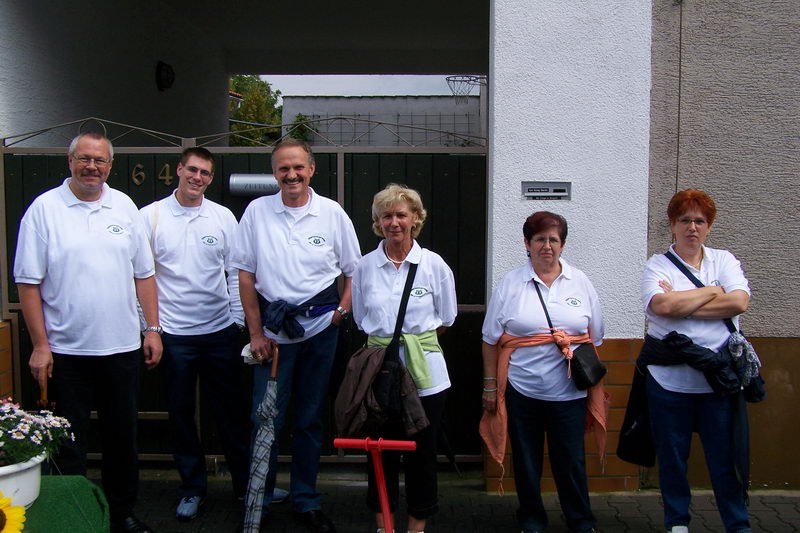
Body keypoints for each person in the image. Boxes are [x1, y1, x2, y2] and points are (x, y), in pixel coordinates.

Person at [14, 133, 161, 533]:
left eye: (99, 160)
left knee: (121, 441)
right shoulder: (44, 210)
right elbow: (28, 284)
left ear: (110, 166)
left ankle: (121, 515)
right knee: (68, 444)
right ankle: (73, 518)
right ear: (70, 161)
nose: (91, 167)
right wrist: (41, 346)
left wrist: (152, 330)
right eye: (84, 159)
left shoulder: (125, 207)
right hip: (66, 352)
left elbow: (144, 275)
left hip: (120, 348)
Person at [232, 138, 361, 533]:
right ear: (275, 173)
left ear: (312, 170)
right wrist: (255, 333)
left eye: (298, 168)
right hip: (272, 336)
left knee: (308, 420)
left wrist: (340, 313)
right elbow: (245, 274)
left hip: (321, 331)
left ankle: (306, 499)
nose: (291, 175)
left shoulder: (332, 213)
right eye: (283, 168)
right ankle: (261, 498)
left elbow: (353, 271)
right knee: (264, 417)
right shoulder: (256, 212)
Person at [139, 147, 250, 521]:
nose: (197, 178)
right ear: (179, 170)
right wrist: (150, 329)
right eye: (192, 170)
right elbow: (140, 277)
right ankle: (192, 488)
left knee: (232, 414)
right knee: (181, 414)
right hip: (174, 334)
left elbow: (236, 273)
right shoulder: (150, 217)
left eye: (205, 173)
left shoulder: (222, 217)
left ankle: (246, 487)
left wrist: (238, 322)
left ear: (210, 177)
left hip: (220, 331)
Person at [480, 211, 603, 533]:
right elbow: (489, 338)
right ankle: (532, 519)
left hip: (569, 393)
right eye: (540, 239)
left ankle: (580, 520)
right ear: (527, 243)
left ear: (562, 245)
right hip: (524, 390)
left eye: (553, 239)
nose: (546, 246)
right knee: (527, 460)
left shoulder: (581, 282)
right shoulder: (511, 283)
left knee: (572, 461)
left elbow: (594, 336)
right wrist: (490, 386)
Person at [640, 189, 752, 533]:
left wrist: (682, 301)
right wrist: (714, 290)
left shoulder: (725, 260)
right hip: (668, 382)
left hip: (717, 381)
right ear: (672, 225)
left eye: (699, 220)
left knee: (724, 457)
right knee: (673, 457)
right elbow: (662, 308)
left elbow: (739, 304)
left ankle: (737, 523)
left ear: (709, 226)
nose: (692, 227)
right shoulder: (656, 265)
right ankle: (677, 522)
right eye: (684, 220)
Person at [351, 184, 457, 533]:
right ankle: (384, 525)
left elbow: (447, 318)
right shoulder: (365, 267)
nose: (394, 222)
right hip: (378, 377)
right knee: (379, 453)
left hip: (427, 378)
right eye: (386, 215)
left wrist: (411, 347)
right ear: (377, 222)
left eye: (401, 214)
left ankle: (416, 527)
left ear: (415, 218)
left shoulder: (433, 265)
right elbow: (361, 318)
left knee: (421, 454)